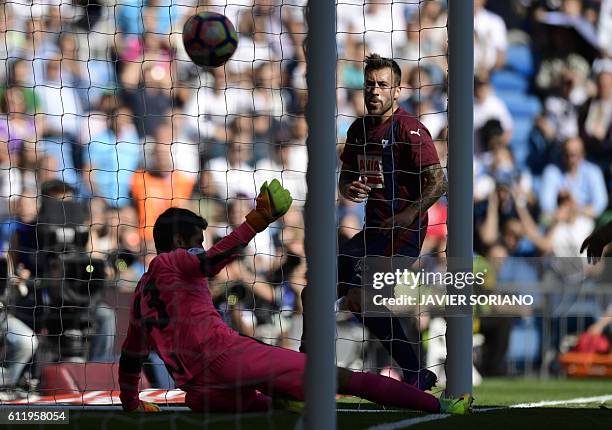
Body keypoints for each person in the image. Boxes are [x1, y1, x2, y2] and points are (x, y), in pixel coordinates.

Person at [118, 180, 471, 414]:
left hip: (199, 391)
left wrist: (131, 400)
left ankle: (290, 389)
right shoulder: (175, 260)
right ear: (181, 243)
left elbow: (132, 354)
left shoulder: (140, 295)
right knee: (342, 379)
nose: (200, 246)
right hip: (230, 358)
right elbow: (212, 259)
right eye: (196, 240)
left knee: (278, 403)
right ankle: (442, 406)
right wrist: (257, 220)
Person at [301, 54, 447, 391]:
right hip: (372, 233)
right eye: (370, 84)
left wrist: (409, 214)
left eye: (383, 85)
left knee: (360, 301)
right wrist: (347, 187)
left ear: (397, 91)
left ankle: (413, 371)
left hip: (402, 236)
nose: (375, 91)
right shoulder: (358, 130)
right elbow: (347, 178)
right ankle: (305, 366)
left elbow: (438, 181)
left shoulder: (409, 129)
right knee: (313, 294)